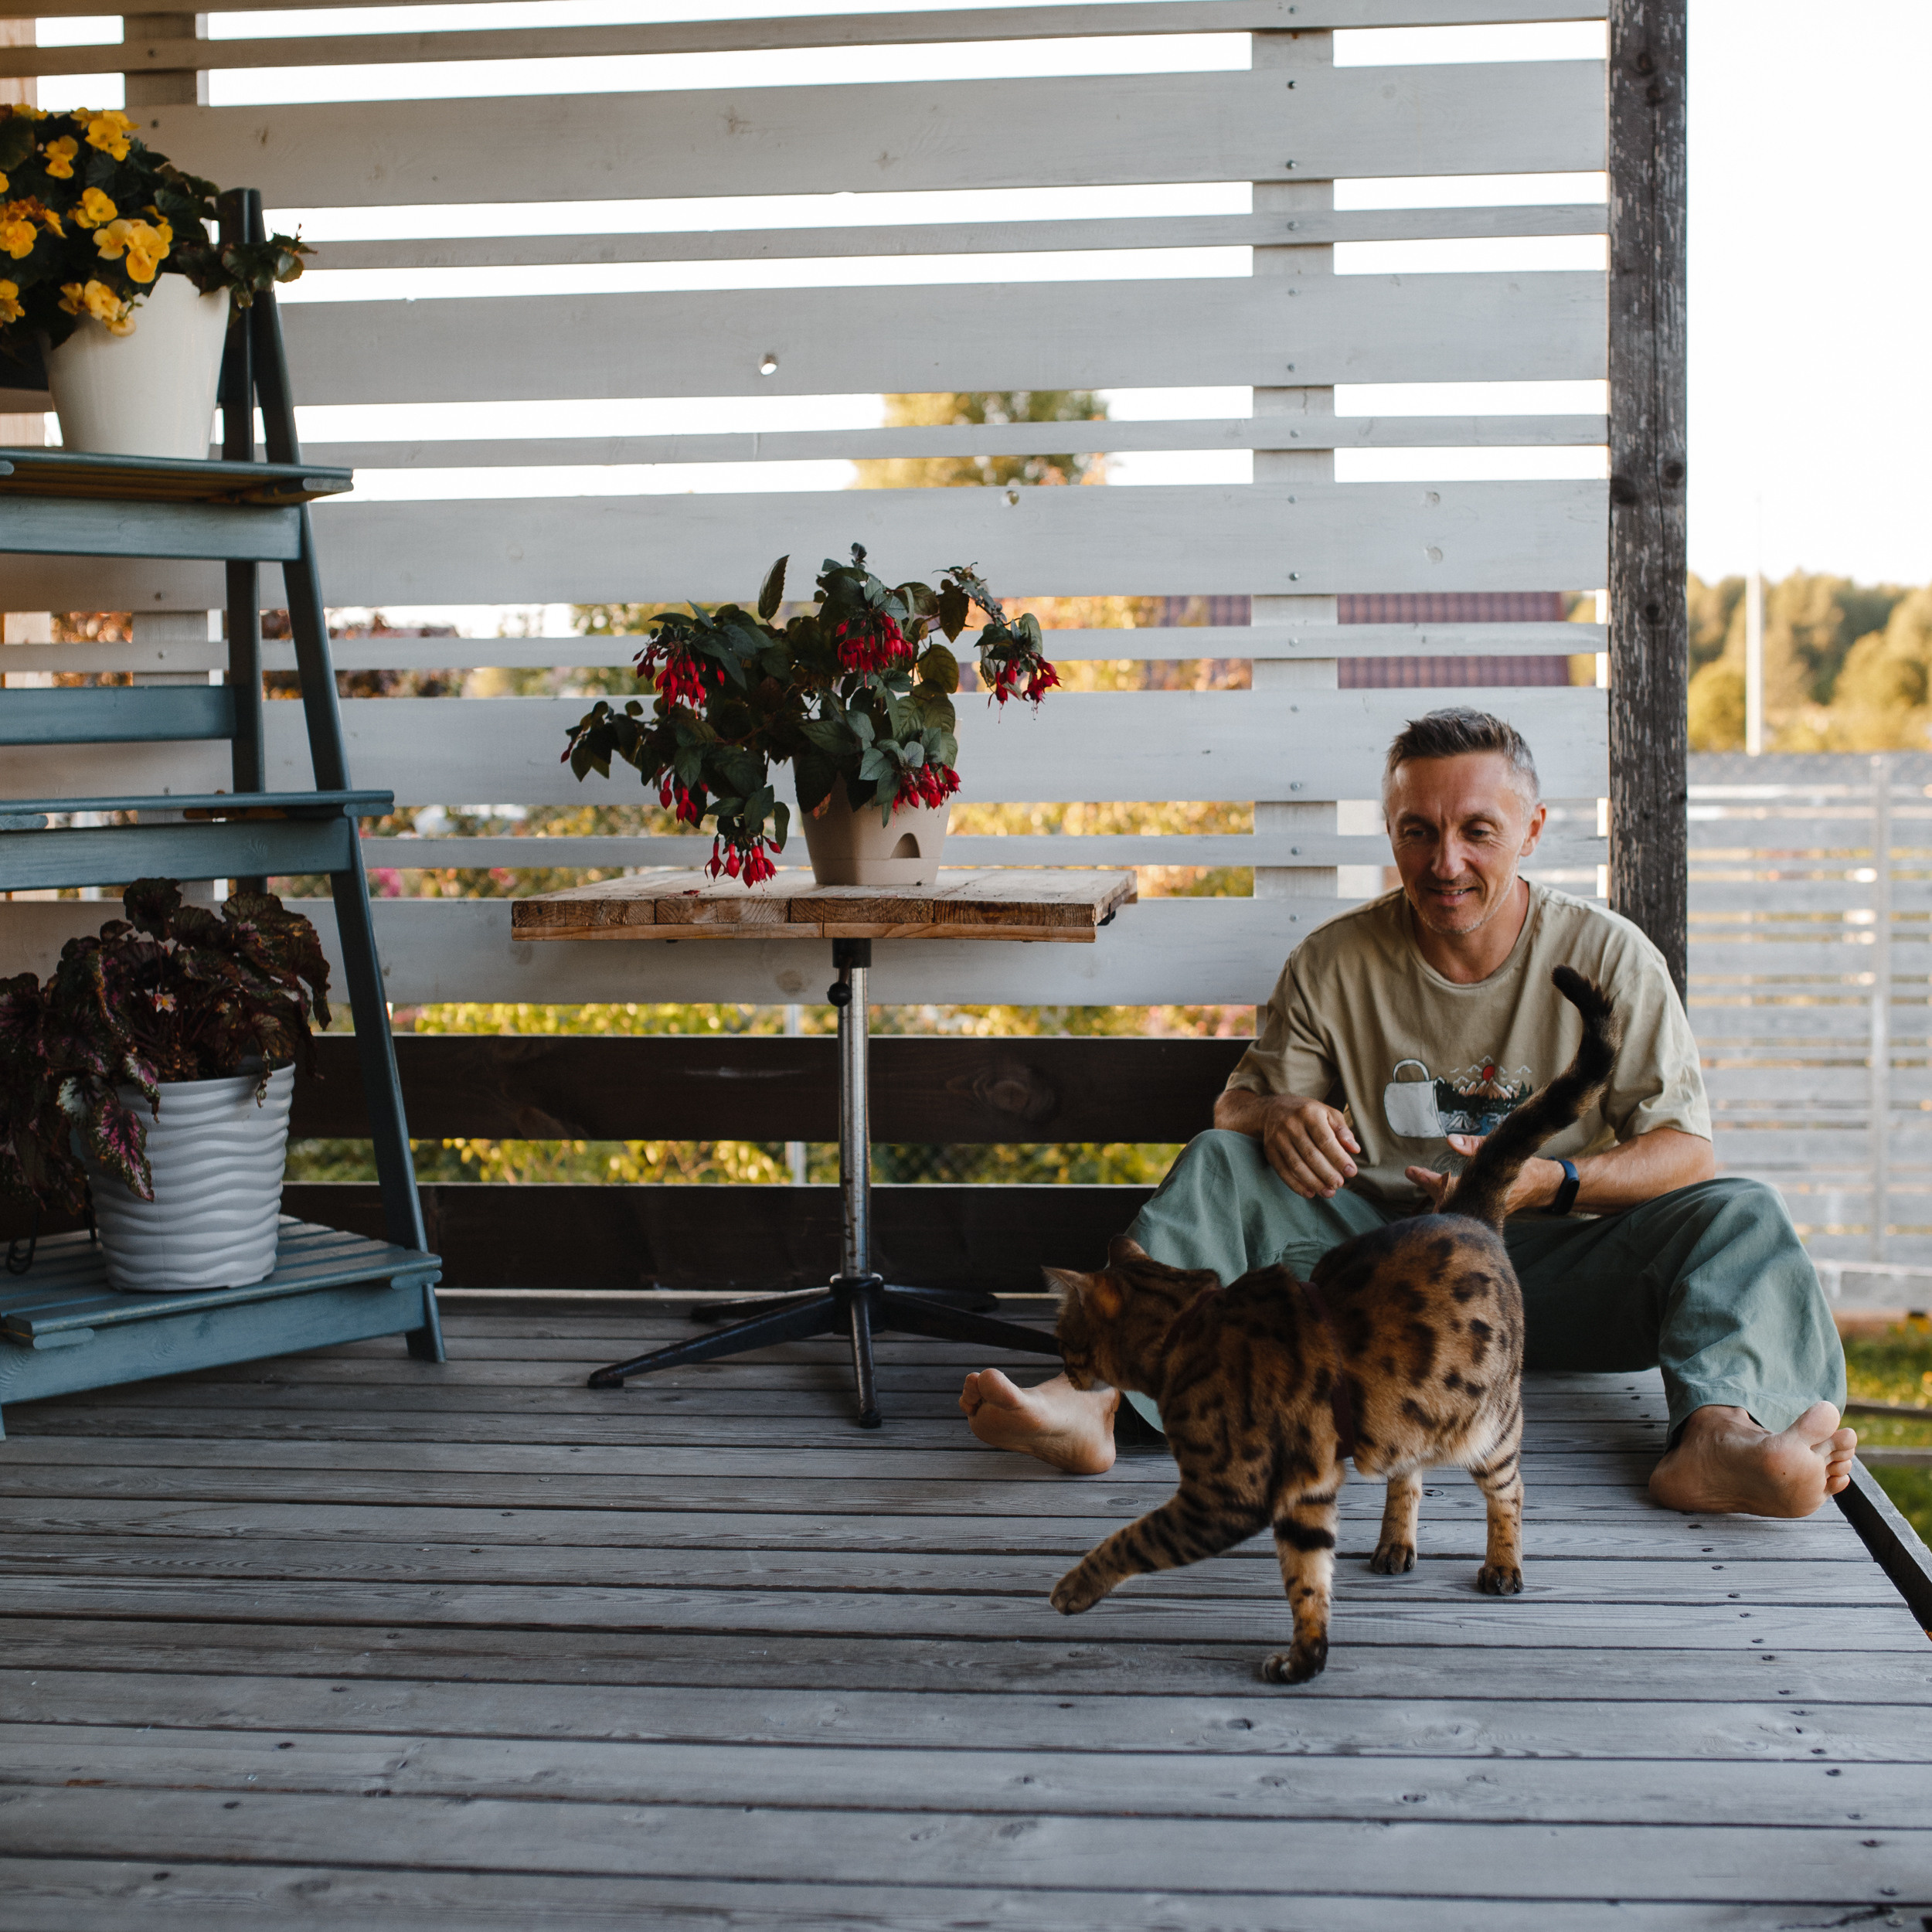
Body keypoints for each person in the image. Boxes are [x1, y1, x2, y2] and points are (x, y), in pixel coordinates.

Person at [961, 706, 1858, 1518]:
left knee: (1743, 1212)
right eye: (1417, 832)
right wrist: (1275, 1114)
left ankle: (1718, 1441)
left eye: (1477, 831)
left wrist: (1547, 1181)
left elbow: (1684, 1149)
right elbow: (1232, 1103)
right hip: (1373, 1287)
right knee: (1219, 1157)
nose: (1445, 862)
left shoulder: (1610, 957)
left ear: (1532, 831)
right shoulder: (1334, 959)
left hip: (1548, 1271)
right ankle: (1095, 1403)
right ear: (1390, 833)